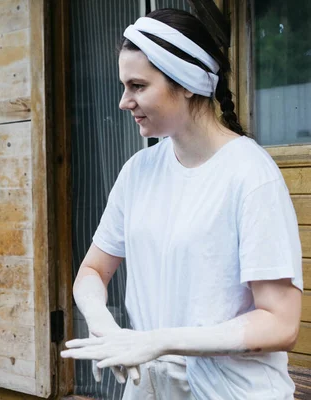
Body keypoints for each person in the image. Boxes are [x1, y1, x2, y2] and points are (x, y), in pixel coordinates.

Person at [61, 8, 303, 400]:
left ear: (187, 82)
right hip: (152, 388)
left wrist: (161, 340)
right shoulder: (138, 171)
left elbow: (280, 325)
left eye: (138, 85)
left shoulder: (250, 175)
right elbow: (92, 270)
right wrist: (103, 322)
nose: (125, 101)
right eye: (125, 86)